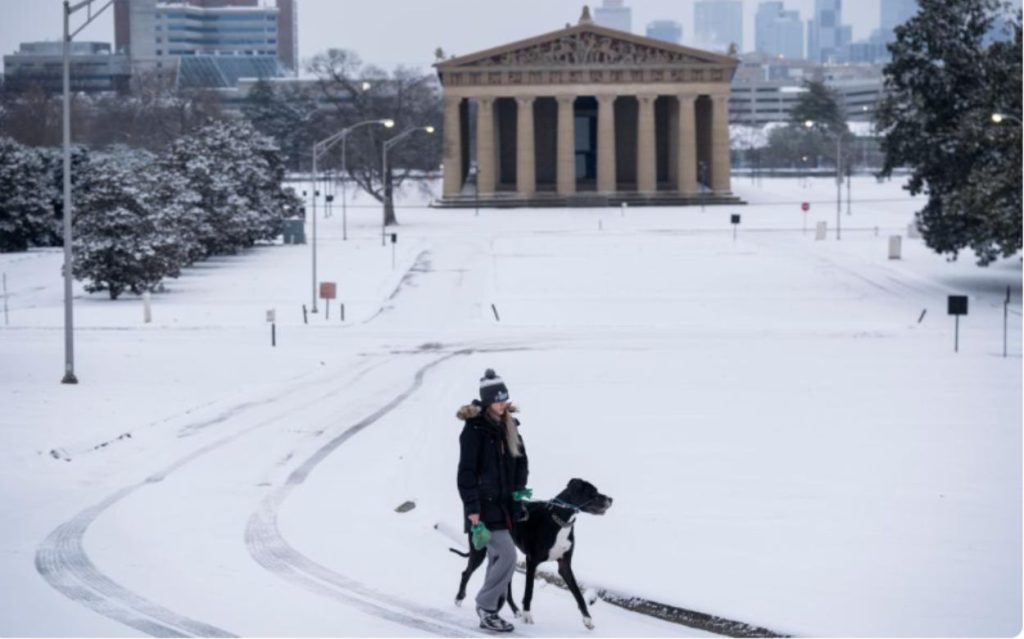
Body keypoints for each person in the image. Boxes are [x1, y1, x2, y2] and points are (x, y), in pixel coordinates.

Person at [456, 368, 530, 633]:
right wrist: (472, 510)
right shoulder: (474, 430)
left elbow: (521, 462)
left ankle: (489, 613)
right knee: (508, 556)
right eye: (498, 399)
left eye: (505, 398)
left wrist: (519, 495)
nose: (503, 403)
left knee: (498, 559)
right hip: (484, 507)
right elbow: (465, 473)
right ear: (487, 400)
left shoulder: (510, 426)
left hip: (505, 505)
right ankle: (486, 606)